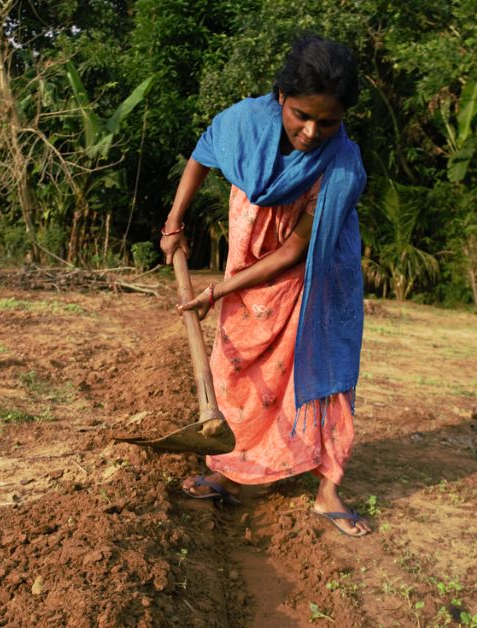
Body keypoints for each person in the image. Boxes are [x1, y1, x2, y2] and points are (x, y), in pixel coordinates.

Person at [159, 35, 370, 537]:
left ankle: (328, 488)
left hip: (311, 276)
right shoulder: (243, 123)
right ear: (281, 97)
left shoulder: (342, 166)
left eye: (328, 121)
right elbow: (203, 153)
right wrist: (174, 222)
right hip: (246, 264)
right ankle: (228, 469)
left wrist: (220, 291)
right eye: (302, 114)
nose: (312, 131)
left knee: (319, 373)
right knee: (234, 367)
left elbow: (295, 250)